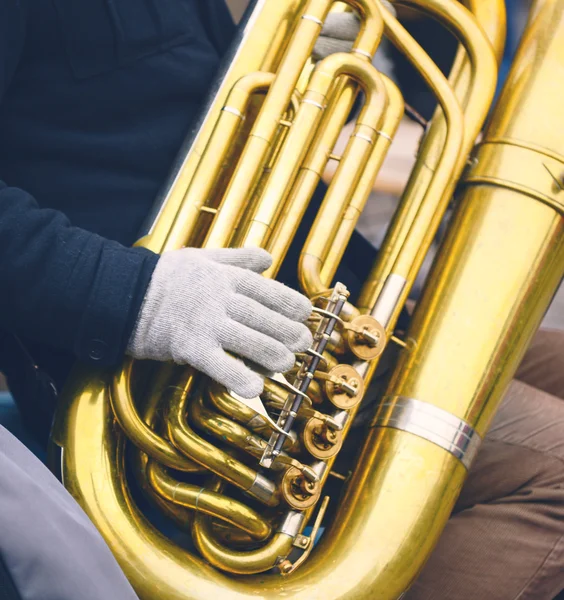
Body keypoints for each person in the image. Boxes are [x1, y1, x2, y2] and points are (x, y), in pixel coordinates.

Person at [0, 1, 562, 599]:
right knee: (554, 477)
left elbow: (171, 107)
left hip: (317, 301)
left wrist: (301, 71)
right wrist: (137, 295)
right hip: (188, 378)